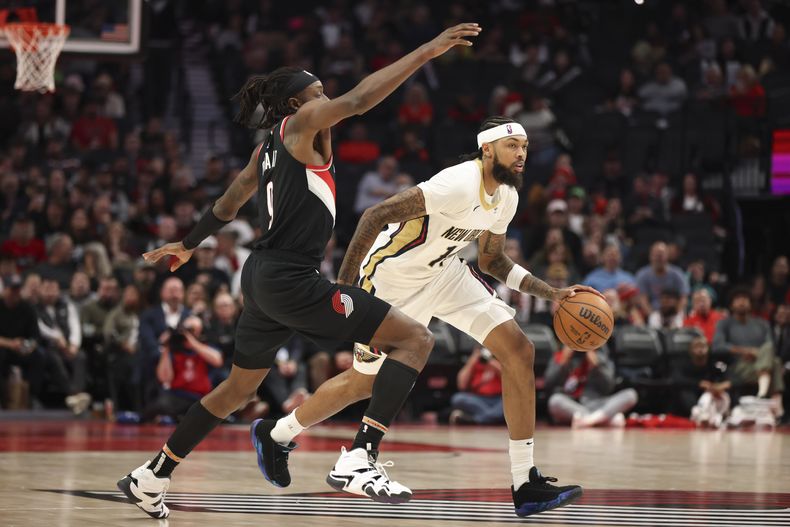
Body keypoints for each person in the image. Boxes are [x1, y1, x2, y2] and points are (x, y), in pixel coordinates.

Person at [117, 23, 482, 519]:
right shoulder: (302, 123)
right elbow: (357, 101)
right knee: (415, 340)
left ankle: (152, 474)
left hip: (262, 277)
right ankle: (361, 457)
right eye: (316, 92)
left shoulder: (267, 146)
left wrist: (187, 243)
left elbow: (231, 198)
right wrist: (426, 50)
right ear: (296, 105)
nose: (325, 97)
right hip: (291, 278)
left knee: (237, 390)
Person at [263, 116, 599, 517]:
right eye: (513, 145)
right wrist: (346, 289)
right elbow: (374, 216)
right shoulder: (457, 183)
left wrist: (552, 293)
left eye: (525, 145)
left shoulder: (507, 196)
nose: (522, 152)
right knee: (362, 383)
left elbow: (491, 260)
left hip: (444, 273)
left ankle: (524, 483)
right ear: (487, 149)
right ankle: (278, 433)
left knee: (518, 349)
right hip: (390, 277)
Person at [712, 288, 784, 411]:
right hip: (738, 366)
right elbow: (717, 347)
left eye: (745, 300)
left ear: (751, 304)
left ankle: (762, 393)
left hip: (758, 364)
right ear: (731, 305)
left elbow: (770, 347)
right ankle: (776, 402)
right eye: (738, 300)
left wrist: (758, 354)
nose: (742, 302)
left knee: (771, 353)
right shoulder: (724, 324)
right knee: (775, 364)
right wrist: (744, 351)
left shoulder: (762, 324)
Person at [546, 346, 638, 428]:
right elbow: (549, 383)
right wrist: (563, 361)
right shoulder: (561, 355)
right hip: (574, 404)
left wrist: (597, 366)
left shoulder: (601, 357)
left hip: (599, 403)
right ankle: (604, 419)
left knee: (631, 394)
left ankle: (589, 420)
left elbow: (609, 386)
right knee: (554, 401)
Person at [449, 346, 504, 425]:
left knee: (511, 403)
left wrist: (493, 363)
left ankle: (475, 420)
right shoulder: (476, 362)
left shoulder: (501, 360)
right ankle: (491, 417)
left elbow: (512, 380)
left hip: (499, 399)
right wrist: (473, 359)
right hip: (478, 399)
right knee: (458, 398)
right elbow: (462, 385)